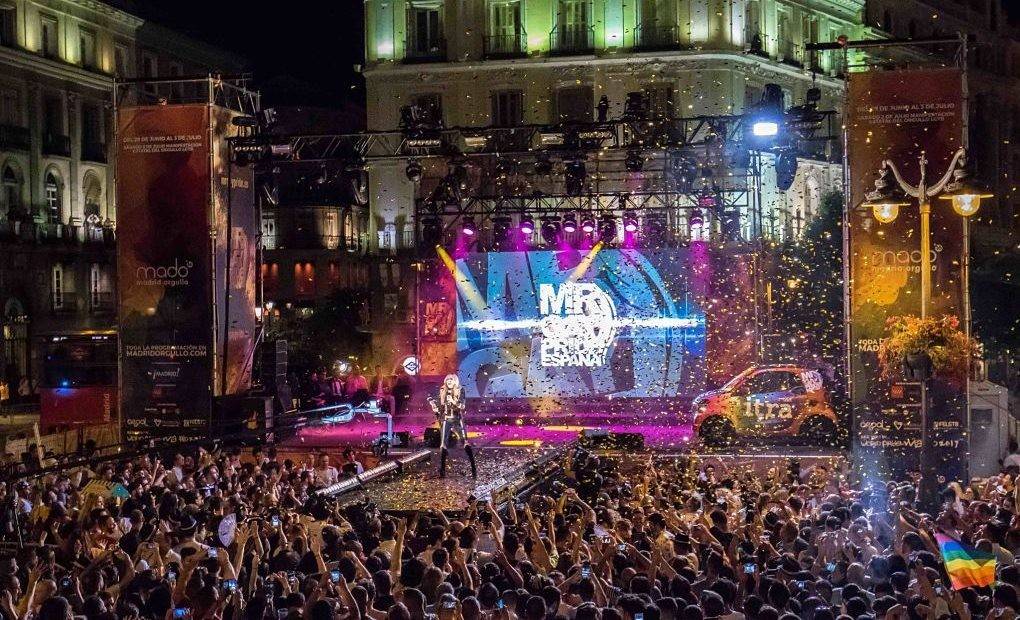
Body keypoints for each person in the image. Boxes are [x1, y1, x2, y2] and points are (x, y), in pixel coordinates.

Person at [429, 374, 476, 478]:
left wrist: (453, 401)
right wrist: (435, 408)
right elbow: (441, 407)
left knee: (465, 442)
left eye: (451, 379)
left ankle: (473, 469)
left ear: (455, 381)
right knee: (443, 444)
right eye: (448, 379)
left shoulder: (460, 390)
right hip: (446, 419)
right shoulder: (442, 391)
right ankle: (442, 472)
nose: (449, 381)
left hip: (457, 419)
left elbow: (462, 406)